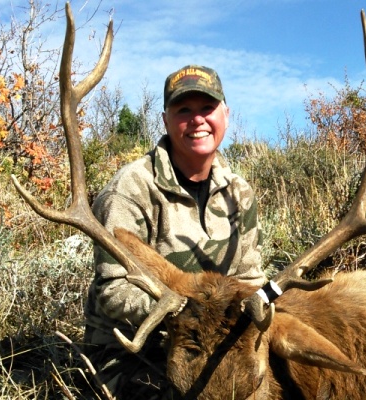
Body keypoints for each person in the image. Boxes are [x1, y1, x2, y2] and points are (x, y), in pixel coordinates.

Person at [83, 65, 266, 399]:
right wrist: (181, 309)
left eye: (207, 109)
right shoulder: (130, 189)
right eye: (184, 110)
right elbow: (112, 289)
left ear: (225, 115)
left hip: (209, 341)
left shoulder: (239, 193)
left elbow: (249, 276)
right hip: (134, 348)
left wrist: (257, 308)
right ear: (166, 120)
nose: (197, 120)